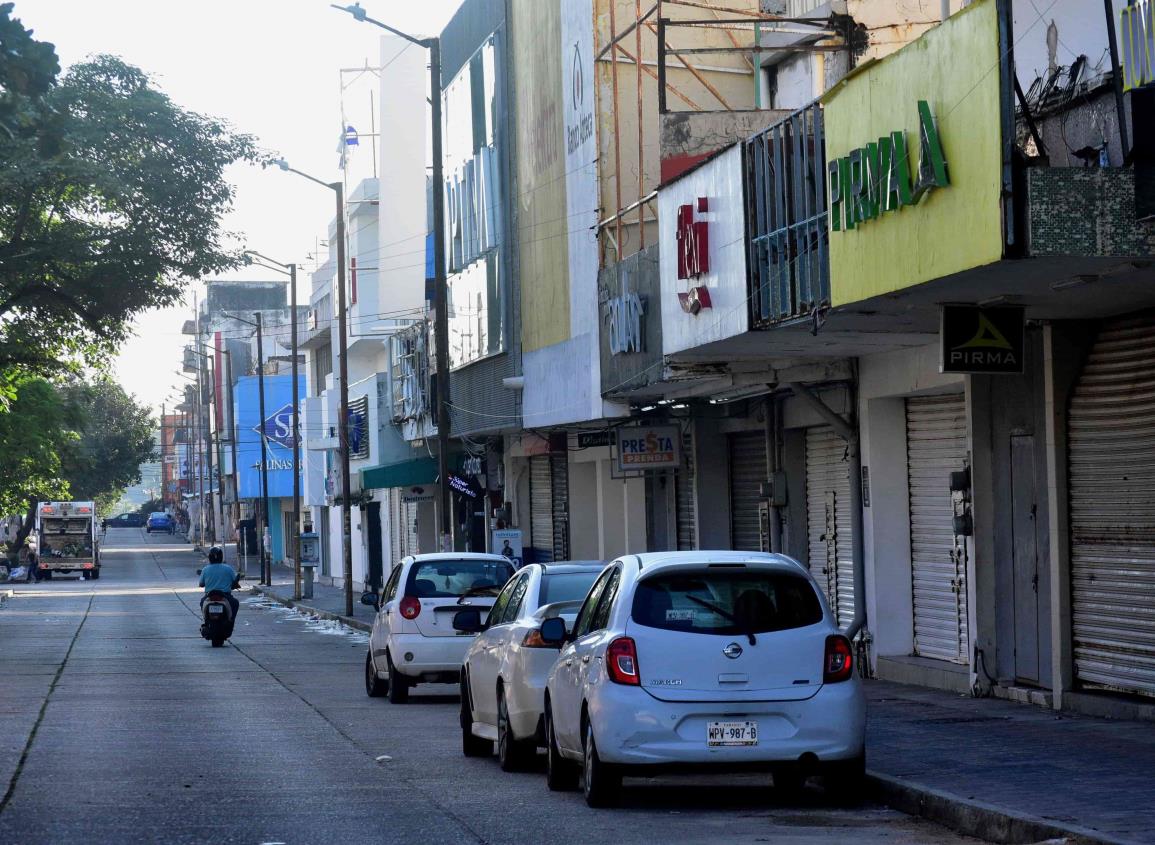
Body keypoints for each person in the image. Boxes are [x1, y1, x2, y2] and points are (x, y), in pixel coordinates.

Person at [198, 546, 240, 622]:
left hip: (209, 595)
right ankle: (231, 620)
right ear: (221, 556)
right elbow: (234, 581)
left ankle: (206, 620)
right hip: (225, 595)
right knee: (235, 603)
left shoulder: (205, 569)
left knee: (202, 602)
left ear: (209, 557)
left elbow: (201, 584)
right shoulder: (228, 568)